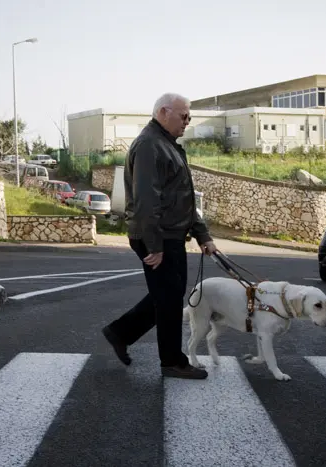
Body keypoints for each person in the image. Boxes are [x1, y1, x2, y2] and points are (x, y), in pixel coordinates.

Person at [101, 92, 217, 379]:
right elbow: (146, 200)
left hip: (169, 235)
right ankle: (172, 362)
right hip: (157, 237)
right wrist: (154, 244)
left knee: (167, 294)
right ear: (164, 112)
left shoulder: (167, 145)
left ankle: (120, 332)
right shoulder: (150, 145)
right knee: (168, 299)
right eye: (184, 116)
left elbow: (182, 199)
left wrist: (202, 234)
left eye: (189, 116)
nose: (188, 121)